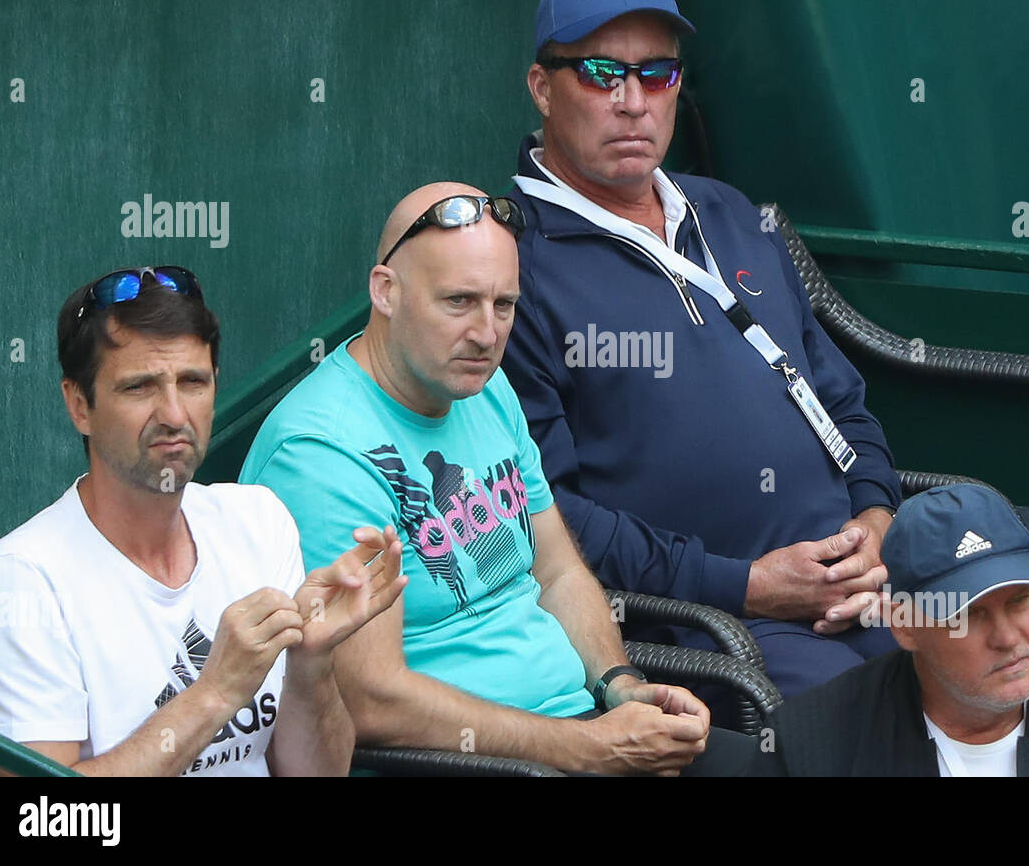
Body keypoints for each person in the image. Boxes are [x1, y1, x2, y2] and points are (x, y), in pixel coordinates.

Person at [500, 0, 1029, 703]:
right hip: (723, 618)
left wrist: (879, 520)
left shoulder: (727, 212)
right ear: (541, 87)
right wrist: (750, 584)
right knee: (907, 735)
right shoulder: (511, 263)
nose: (633, 102)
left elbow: (842, 399)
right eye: (600, 73)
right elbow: (547, 514)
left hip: (883, 573)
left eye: (657, 73)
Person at [240, 183, 755, 775]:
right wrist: (586, 749)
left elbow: (558, 571)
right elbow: (372, 700)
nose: (487, 334)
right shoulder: (322, 452)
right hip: (467, 762)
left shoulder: (482, 388)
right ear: (385, 291)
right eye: (458, 302)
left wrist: (618, 686)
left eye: (503, 305)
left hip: (573, 730)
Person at [0, 267, 405, 776]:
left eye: (193, 382)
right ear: (79, 405)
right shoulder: (23, 579)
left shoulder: (256, 520)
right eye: (140, 387)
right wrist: (214, 692)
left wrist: (311, 662)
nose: (174, 414)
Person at [749, 484, 1029, 776]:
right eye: (969, 614)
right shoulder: (808, 750)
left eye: (1020, 600)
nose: (1008, 637)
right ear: (903, 624)